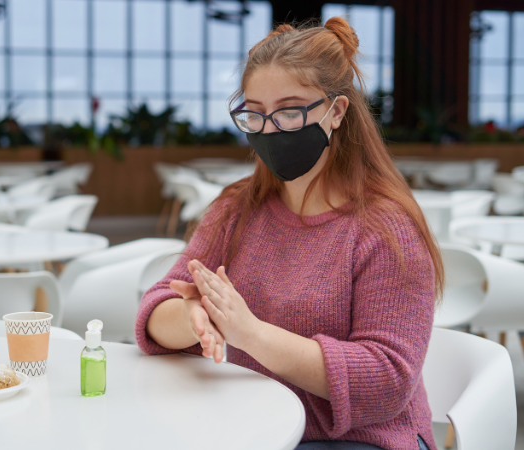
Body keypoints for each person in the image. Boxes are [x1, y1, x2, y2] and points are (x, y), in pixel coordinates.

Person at [135, 17, 442, 450]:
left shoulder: (385, 228)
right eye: (255, 113)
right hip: (253, 429)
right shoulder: (235, 209)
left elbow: (387, 380)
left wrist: (249, 333)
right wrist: (195, 317)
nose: (270, 129)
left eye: (289, 111)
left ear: (336, 112)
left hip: (361, 440)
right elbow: (157, 308)